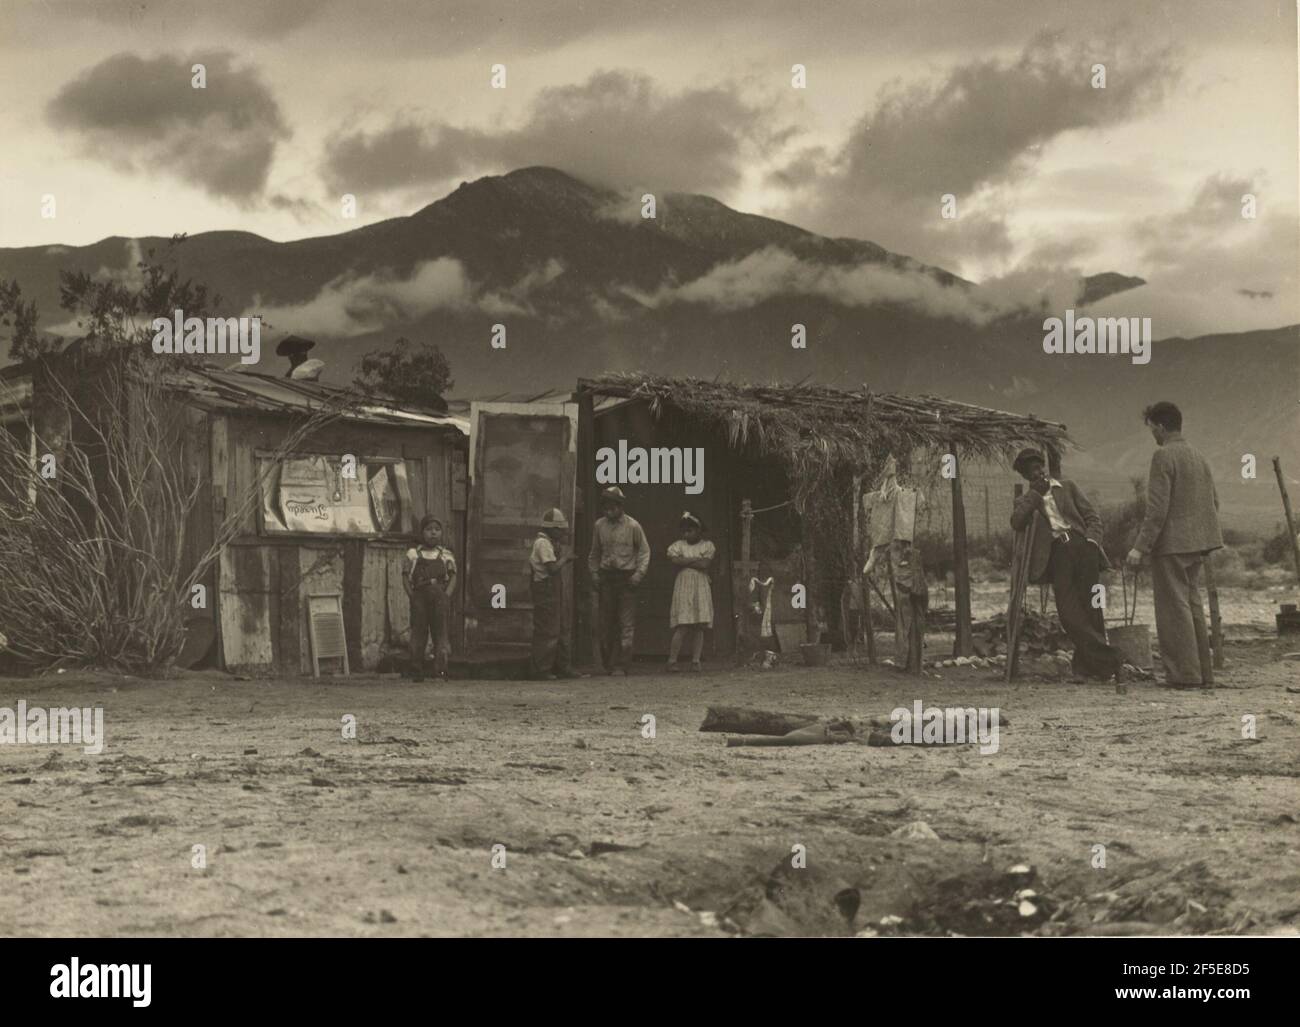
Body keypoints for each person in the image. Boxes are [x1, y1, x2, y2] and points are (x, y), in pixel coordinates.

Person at [1126, 402, 1223, 687]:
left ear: (1160, 426)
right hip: (1198, 545)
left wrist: (1140, 547)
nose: (1153, 434)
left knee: (1173, 611)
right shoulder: (1199, 456)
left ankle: (1183, 676)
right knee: (1192, 605)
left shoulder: (1163, 456)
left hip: (1171, 547)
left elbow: (1157, 510)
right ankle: (1203, 675)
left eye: (1152, 428)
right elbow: (1214, 502)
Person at [1011, 449, 1125, 682]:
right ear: (1025, 475)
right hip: (1058, 555)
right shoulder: (1025, 501)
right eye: (1032, 471)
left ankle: (1091, 669)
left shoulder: (1068, 487)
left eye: (1039, 467)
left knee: (1092, 608)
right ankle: (1112, 657)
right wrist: (1035, 495)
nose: (1039, 472)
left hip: (1084, 548)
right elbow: (1016, 522)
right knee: (1068, 613)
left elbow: (1092, 517)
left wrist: (1092, 542)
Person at [588, 485, 650, 676]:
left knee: (626, 624)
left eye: (613, 507)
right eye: (606, 507)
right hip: (607, 578)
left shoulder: (633, 526)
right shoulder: (599, 526)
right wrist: (595, 574)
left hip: (627, 579)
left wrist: (638, 575)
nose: (609, 511)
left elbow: (644, 552)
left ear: (620, 506)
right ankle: (608, 664)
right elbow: (594, 553)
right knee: (606, 623)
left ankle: (622, 665)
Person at [529, 507, 580, 680]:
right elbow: (551, 568)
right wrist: (565, 559)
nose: (562, 532)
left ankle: (561, 667)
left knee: (560, 628)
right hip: (545, 590)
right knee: (547, 630)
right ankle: (541, 670)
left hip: (552, 590)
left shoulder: (549, 542)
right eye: (559, 529)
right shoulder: (542, 543)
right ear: (552, 528)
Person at [404, 515, 456, 681]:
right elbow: (405, 576)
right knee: (418, 633)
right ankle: (416, 668)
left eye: (436, 529)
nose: (433, 533)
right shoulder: (413, 554)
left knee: (440, 632)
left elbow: (453, 577)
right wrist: (412, 596)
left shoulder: (446, 554)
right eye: (429, 529)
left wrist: (446, 596)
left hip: (440, 598)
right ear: (422, 532)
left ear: (441, 533)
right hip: (419, 597)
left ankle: (441, 669)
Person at [666, 512, 715, 671]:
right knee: (683, 624)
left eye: (691, 530)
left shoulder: (707, 546)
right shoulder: (678, 546)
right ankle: (672, 661)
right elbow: (675, 560)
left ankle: (696, 661)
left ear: (699, 531)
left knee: (699, 625)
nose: (687, 534)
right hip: (684, 585)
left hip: (700, 585)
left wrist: (685, 562)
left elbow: (705, 565)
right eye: (684, 531)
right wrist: (695, 560)